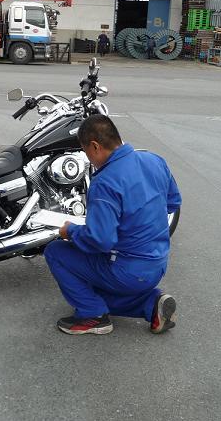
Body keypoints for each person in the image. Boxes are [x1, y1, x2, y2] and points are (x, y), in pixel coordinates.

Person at [43, 115, 182, 335]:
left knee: (56, 252)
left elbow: (100, 240)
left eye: (86, 152)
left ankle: (92, 315)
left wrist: (70, 231)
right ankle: (152, 304)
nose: (89, 159)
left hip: (127, 270)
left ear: (95, 146)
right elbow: (173, 202)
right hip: (158, 264)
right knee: (96, 287)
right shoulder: (154, 160)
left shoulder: (105, 182)